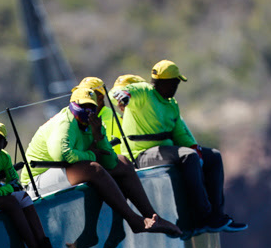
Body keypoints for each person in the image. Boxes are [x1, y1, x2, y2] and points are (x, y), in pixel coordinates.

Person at [21, 87, 181, 238]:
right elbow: (62, 156)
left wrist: (98, 136)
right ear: (73, 105)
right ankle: (134, 220)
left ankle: (152, 216)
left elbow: (110, 162)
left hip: (68, 170)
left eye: (91, 107)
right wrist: (92, 154)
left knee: (123, 162)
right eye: (83, 106)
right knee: (94, 169)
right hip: (38, 179)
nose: (88, 111)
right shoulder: (65, 122)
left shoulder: (94, 123)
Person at [112, 59, 246, 233]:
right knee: (187, 156)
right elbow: (122, 91)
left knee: (213, 156)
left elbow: (179, 133)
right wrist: (123, 95)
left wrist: (194, 147)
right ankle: (202, 216)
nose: (176, 87)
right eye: (174, 83)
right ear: (162, 82)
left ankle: (217, 215)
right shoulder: (144, 92)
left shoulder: (172, 104)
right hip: (141, 153)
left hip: (165, 151)